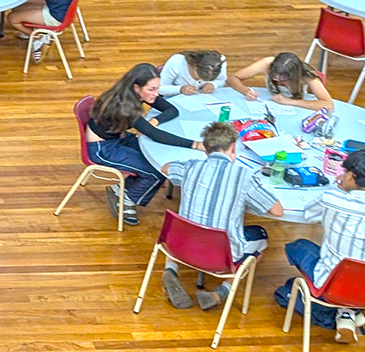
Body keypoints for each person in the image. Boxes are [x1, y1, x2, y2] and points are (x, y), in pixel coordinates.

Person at [275, 148, 365, 343]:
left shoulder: (332, 199)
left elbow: (309, 214)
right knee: (355, 263)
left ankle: (341, 312)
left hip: (335, 284)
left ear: (350, 176)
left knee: (298, 247)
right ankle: (349, 313)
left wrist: (339, 191)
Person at [164, 121, 284, 310]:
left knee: (183, 224)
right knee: (260, 236)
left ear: (206, 150)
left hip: (180, 246)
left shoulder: (191, 167)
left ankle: (171, 270)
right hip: (220, 257)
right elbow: (277, 210)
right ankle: (222, 291)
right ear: (233, 148)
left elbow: (166, 168)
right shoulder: (244, 177)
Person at [85, 64, 205, 225]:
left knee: (157, 157)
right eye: (151, 89)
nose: (156, 93)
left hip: (117, 137)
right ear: (137, 87)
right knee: (156, 170)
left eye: (157, 88)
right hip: (103, 148)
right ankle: (126, 199)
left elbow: (172, 110)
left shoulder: (134, 93)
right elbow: (155, 135)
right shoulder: (125, 106)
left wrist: (154, 120)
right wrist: (196, 145)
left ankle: (120, 189)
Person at [227, 52, 335, 113]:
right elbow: (233, 78)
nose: (278, 81)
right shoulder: (267, 63)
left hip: (299, 109)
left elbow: (328, 105)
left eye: (283, 80)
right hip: (270, 105)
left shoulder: (307, 75)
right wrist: (246, 91)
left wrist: (290, 101)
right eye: (274, 77)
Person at [159, 50, 228, 97]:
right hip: (177, 98)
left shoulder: (219, 62)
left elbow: (222, 80)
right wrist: (181, 89)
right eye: (199, 77)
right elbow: (160, 88)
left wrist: (213, 84)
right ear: (194, 66)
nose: (200, 81)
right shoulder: (177, 61)